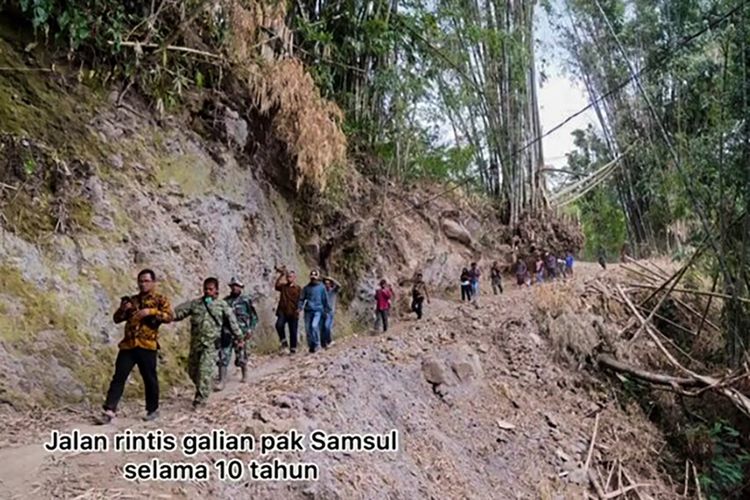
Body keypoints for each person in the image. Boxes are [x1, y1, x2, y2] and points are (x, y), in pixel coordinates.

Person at [99, 269, 173, 424]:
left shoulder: (160, 299)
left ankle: (152, 409)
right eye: (141, 281)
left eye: (146, 281)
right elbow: (117, 319)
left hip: (147, 345)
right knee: (119, 377)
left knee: (149, 378)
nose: (143, 284)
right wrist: (123, 309)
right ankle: (109, 409)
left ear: (153, 282)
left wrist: (150, 312)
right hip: (129, 345)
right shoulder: (133, 300)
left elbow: (169, 316)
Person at [173, 277, 242, 408]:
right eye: (205, 289)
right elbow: (179, 313)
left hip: (210, 345)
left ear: (216, 290)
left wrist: (239, 337)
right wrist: (165, 316)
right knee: (192, 371)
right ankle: (203, 387)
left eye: (210, 289)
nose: (207, 291)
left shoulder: (222, 305)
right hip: (196, 344)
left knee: (204, 371)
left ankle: (200, 400)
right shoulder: (195, 304)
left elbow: (232, 322)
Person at [217, 276, 258, 387]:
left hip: (241, 333)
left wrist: (250, 329)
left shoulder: (246, 301)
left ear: (241, 287)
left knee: (241, 356)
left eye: (237, 286)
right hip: (227, 332)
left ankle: (244, 374)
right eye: (233, 286)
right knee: (223, 356)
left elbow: (253, 317)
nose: (235, 288)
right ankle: (222, 381)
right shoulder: (225, 302)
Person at [298, 270, 331, 354]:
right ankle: (311, 346)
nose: (313, 279)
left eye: (315, 278)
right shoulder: (306, 288)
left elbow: (325, 299)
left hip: (318, 310)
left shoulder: (322, 288)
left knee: (314, 326)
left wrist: (327, 309)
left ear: (317, 278)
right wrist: (300, 307)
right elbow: (301, 299)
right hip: (308, 311)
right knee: (308, 329)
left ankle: (317, 344)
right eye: (312, 278)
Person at [274, 266, 302, 354]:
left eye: (291, 276)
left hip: (293, 312)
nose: (289, 278)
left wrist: (299, 308)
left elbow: (301, 299)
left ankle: (293, 348)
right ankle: (283, 342)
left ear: (294, 278)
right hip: (283, 311)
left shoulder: (298, 288)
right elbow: (276, 285)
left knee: (293, 330)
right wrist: (281, 275)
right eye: (288, 276)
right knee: (279, 325)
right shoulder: (283, 287)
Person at [321, 276, 342, 349]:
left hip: (330, 312)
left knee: (327, 327)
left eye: (328, 283)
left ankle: (329, 341)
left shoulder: (333, 291)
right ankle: (324, 344)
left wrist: (332, 279)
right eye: (325, 283)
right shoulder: (322, 292)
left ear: (330, 284)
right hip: (323, 312)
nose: (327, 284)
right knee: (323, 328)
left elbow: (339, 285)